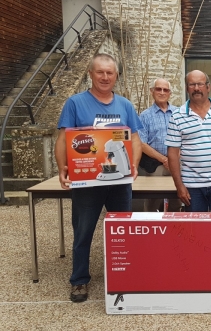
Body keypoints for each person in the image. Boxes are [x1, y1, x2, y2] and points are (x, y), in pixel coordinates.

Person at [54, 53, 143, 302]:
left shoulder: (125, 105)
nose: (105, 77)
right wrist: (62, 167)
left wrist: (133, 165)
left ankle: (124, 274)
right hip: (86, 184)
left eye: (110, 73)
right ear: (91, 74)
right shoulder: (75, 103)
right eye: (100, 72)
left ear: (116, 76)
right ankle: (79, 280)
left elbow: (135, 139)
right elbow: (63, 139)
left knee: (122, 230)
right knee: (83, 232)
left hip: (119, 184)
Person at [165, 70, 211, 212]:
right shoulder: (177, 116)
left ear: (208, 87)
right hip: (191, 188)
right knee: (194, 232)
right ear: (187, 88)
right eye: (192, 84)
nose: (196, 88)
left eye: (200, 84)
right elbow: (172, 154)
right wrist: (179, 186)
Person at [137, 78, 181, 212]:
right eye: (158, 89)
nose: (162, 92)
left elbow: (185, 138)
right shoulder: (145, 116)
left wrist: (175, 158)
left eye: (165, 90)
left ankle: (175, 228)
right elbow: (141, 143)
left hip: (177, 163)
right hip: (155, 164)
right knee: (153, 200)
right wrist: (164, 159)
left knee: (177, 197)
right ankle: (150, 226)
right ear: (152, 91)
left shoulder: (179, 113)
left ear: (170, 93)